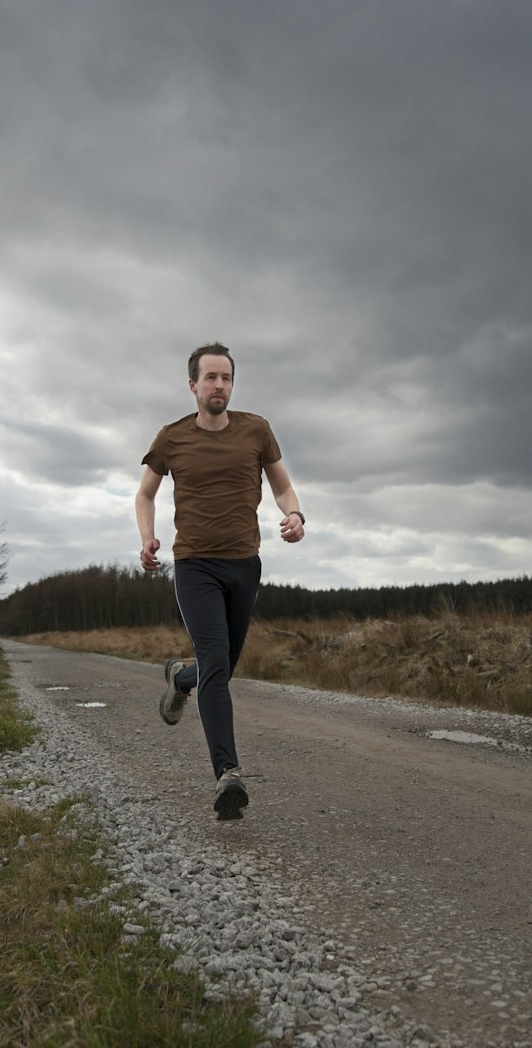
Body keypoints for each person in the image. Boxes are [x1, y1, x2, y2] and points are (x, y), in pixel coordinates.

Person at [136, 342, 305, 820]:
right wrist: (147, 538)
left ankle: (179, 677)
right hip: (194, 565)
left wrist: (294, 514)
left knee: (221, 668)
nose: (219, 386)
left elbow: (282, 484)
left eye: (226, 378)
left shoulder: (257, 430)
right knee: (215, 659)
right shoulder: (171, 438)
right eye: (210, 378)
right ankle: (227, 774)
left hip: (243, 564)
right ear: (193, 385)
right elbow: (145, 495)